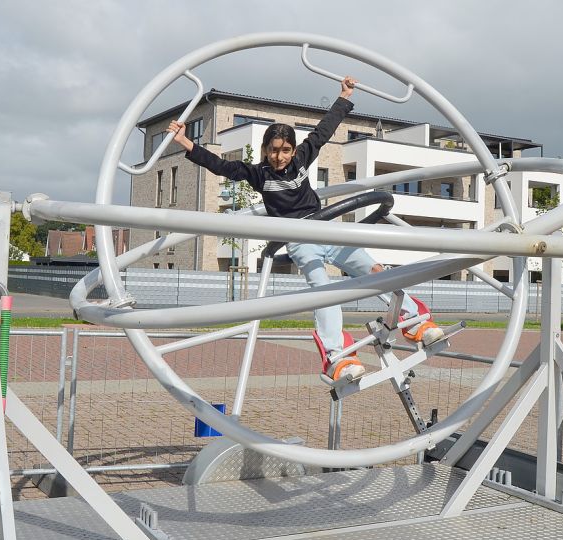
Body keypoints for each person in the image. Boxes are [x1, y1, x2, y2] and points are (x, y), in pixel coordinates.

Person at [168, 76, 443, 382]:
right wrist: (185, 142)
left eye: (285, 150)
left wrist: (344, 96)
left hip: (326, 229)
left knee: (374, 269)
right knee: (323, 289)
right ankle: (337, 354)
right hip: (301, 240)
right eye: (274, 150)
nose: (280, 156)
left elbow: (324, 130)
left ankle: (415, 320)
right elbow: (220, 165)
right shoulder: (258, 174)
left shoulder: (301, 159)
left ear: (293, 149)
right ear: (264, 150)